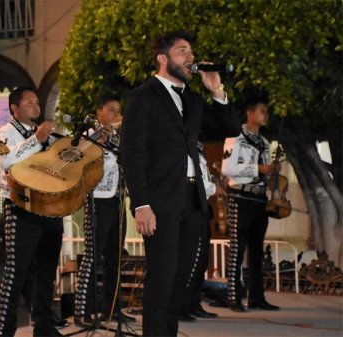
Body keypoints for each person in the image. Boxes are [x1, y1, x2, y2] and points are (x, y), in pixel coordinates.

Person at [119, 31, 240, 337]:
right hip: (160, 201)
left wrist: (217, 90)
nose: (191, 58)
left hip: (193, 199)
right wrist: (142, 204)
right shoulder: (142, 97)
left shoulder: (193, 99)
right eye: (182, 51)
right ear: (163, 59)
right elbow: (132, 154)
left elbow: (229, 128)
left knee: (180, 281)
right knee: (162, 278)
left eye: (191, 52)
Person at [0, 86, 64, 337]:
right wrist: (37, 140)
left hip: (50, 208)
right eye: (30, 102)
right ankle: (4, 330)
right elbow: (6, 161)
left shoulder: (44, 133)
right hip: (20, 208)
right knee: (15, 273)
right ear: (15, 108)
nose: (36, 106)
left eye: (37, 102)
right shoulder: (5, 132)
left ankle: (44, 327)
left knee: (46, 271)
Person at [74, 94, 134, 325]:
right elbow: (87, 164)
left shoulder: (119, 137)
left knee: (115, 258)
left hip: (118, 200)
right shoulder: (90, 136)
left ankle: (112, 310)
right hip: (97, 200)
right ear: (99, 111)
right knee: (92, 257)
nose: (115, 115)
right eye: (111, 110)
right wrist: (106, 137)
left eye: (118, 111)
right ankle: (82, 310)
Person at [221, 98, 280, 312]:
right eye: (262, 111)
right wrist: (258, 169)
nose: (266, 115)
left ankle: (257, 297)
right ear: (250, 112)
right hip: (240, 197)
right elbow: (227, 169)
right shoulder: (235, 139)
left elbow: (266, 172)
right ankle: (233, 297)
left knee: (257, 250)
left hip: (259, 199)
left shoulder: (264, 142)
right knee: (237, 248)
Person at [179, 142, 220, 321]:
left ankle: (193, 303)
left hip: (201, 207)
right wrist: (213, 188)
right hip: (190, 206)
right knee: (190, 258)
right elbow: (192, 180)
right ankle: (181, 305)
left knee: (201, 259)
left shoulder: (198, 145)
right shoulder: (183, 144)